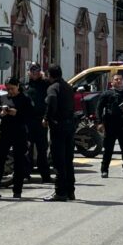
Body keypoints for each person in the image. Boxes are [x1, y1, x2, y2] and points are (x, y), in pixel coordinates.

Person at [0, 78, 32, 199]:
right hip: (5, 133)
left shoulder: (25, 99)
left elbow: (30, 115)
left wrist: (17, 113)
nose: (10, 91)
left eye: (12, 89)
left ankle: (17, 190)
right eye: (8, 89)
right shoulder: (4, 98)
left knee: (19, 162)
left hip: (19, 133)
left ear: (18, 86)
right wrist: (0, 114)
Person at [97, 73, 123, 179]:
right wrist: (100, 123)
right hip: (110, 125)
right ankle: (104, 170)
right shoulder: (107, 94)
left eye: (120, 79)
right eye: (116, 79)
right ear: (112, 82)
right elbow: (98, 108)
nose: (119, 81)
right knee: (108, 149)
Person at [44, 65, 76, 201]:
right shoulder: (68, 87)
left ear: (50, 75)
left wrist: (47, 117)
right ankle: (70, 191)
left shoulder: (53, 88)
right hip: (70, 126)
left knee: (58, 161)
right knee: (68, 160)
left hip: (58, 126)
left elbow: (51, 102)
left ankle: (60, 192)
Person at [24, 63, 52, 183]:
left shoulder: (46, 84)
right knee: (27, 149)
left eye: (36, 70)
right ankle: (25, 174)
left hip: (41, 121)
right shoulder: (24, 84)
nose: (34, 73)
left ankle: (45, 176)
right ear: (28, 72)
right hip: (28, 121)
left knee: (42, 149)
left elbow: (50, 101)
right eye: (32, 70)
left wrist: (46, 117)